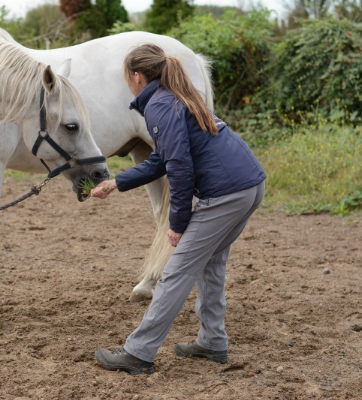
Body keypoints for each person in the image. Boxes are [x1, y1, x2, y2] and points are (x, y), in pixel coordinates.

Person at [90, 44, 266, 375]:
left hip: (228, 192)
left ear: (137, 77)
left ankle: (138, 353)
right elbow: (162, 159)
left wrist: (178, 222)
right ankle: (212, 341)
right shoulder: (171, 97)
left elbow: (180, 168)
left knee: (176, 271)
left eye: (125, 76)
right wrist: (118, 182)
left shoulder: (158, 105)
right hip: (249, 185)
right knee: (210, 264)